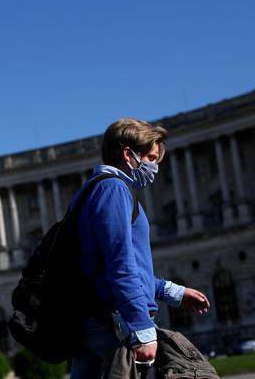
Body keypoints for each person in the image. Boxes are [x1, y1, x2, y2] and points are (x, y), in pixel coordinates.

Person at [70, 118, 211, 378]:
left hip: (95, 318)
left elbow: (115, 265)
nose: (155, 166)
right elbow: (120, 264)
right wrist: (141, 328)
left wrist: (173, 291)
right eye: (151, 157)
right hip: (114, 321)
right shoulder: (114, 189)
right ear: (128, 154)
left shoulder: (91, 190)